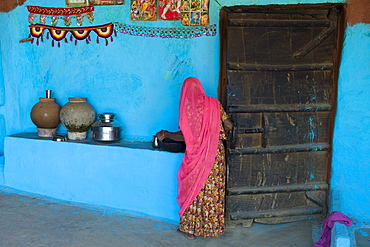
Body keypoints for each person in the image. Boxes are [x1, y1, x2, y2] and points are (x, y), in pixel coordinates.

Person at [156, 77, 233, 239]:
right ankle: (210, 228)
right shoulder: (215, 104)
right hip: (216, 154)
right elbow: (229, 125)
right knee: (212, 190)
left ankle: (188, 229)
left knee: (194, 189)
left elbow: (185, 136)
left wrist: (165, 134)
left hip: (198, 155)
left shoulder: (190, 109)